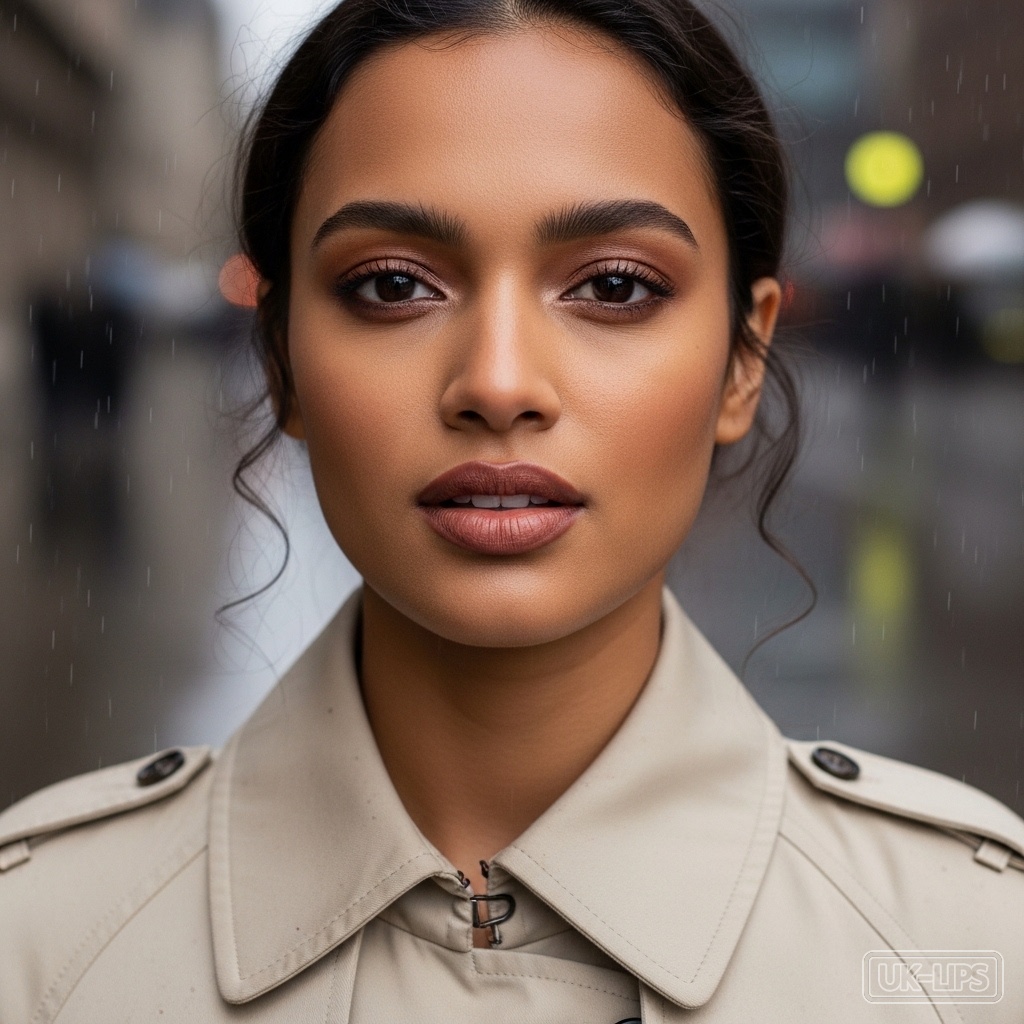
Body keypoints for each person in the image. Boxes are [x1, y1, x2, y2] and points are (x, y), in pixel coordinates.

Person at [1, 1, 1022, 1020]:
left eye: (614, 286)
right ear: (281, 359)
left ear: (741, 361)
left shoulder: (965, 947)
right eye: (393, 284)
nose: (496, 382)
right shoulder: (44, 946)